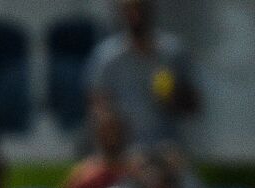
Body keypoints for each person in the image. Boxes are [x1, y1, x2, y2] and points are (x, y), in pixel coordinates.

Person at [85, 0, 200, 150]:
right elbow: (96, 103)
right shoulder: (106, 57)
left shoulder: (173, 53)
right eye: (129, 9)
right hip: (123, 152)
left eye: (139, 8)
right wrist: (109, 122)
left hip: (168, 148)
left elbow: (194, 105)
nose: (135, 15)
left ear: (149, 10)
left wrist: (175, 96)